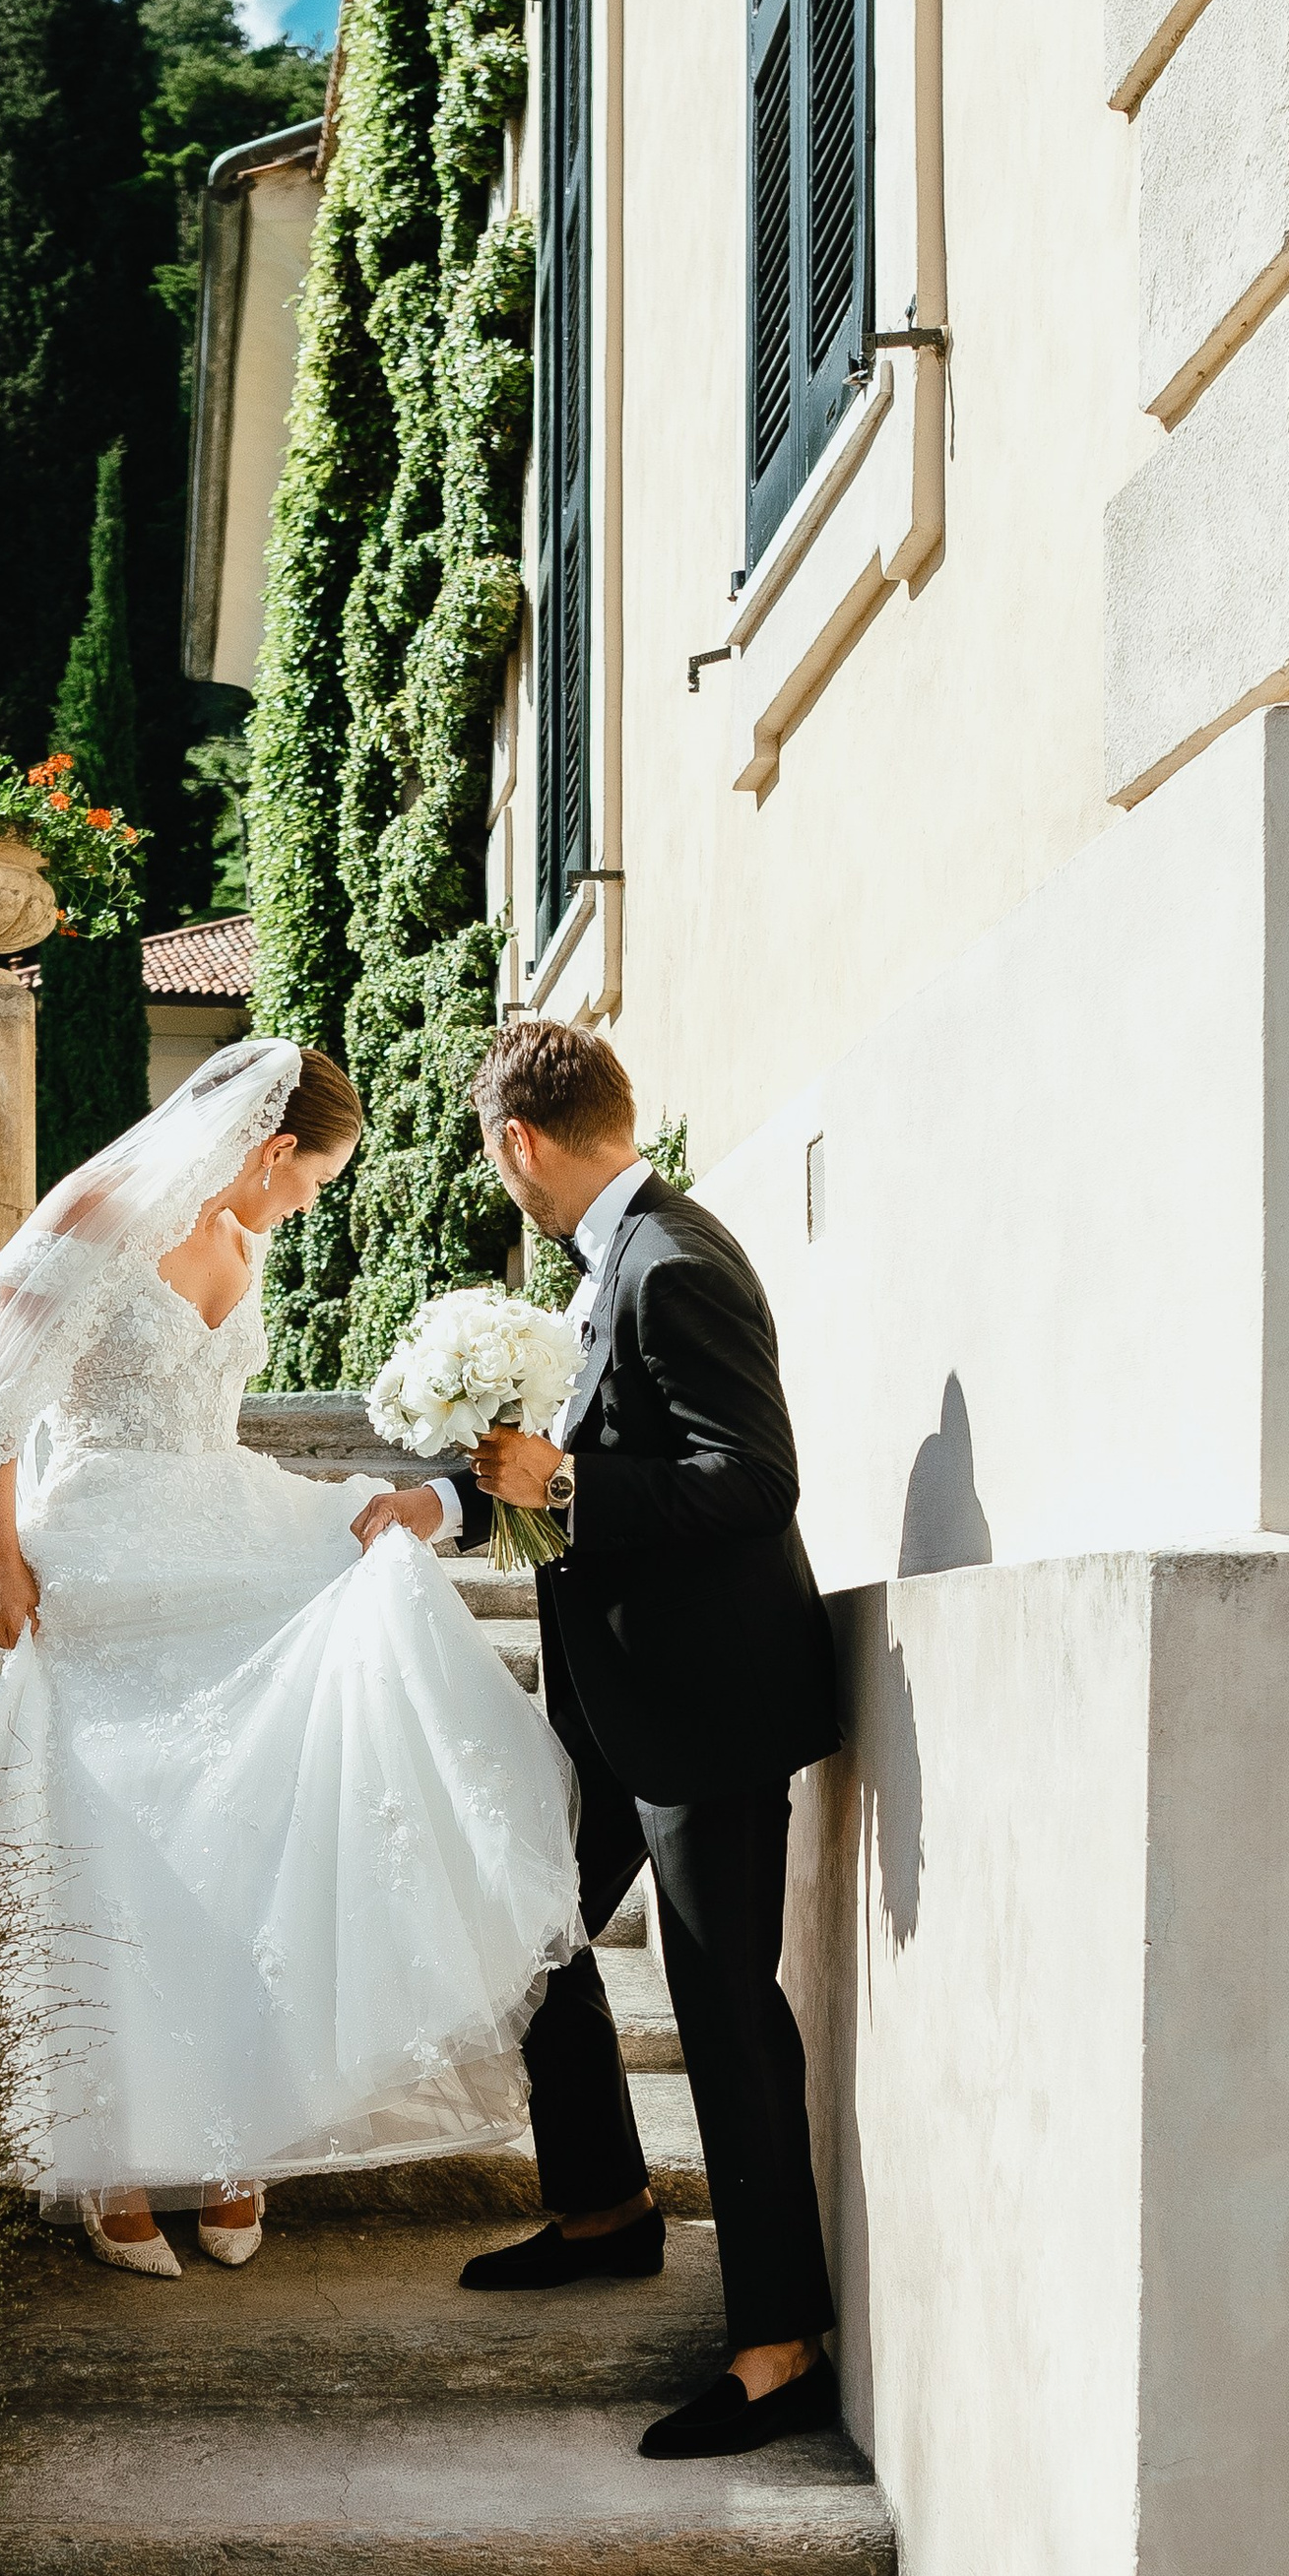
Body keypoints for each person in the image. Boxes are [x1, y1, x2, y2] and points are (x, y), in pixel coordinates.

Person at [0, 1036, 583, 2275]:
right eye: (309, 1185)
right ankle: (108, 2158)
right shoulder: (96, 1216)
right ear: (271, 1148)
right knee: (118, 1839)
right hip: (108, 1539)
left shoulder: (249, 1235)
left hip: (221, 1513)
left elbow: (211, 1421)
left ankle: (245, 2128)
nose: (303, 1207)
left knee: (271, 1789)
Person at [380, 1016, 846, 2461]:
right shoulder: (606, 1268)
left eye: (489, 1153)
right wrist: (459, 1505)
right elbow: (593, 1472)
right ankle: (605, 2207)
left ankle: (780, 2351)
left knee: (727, 2019)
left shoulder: (674, 1262)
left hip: (705, 1712)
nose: (495, 1176)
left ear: (520, 1142)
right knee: (535, 1935)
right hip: (611, 1710)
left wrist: (570, 1479)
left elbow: (750, 1481)